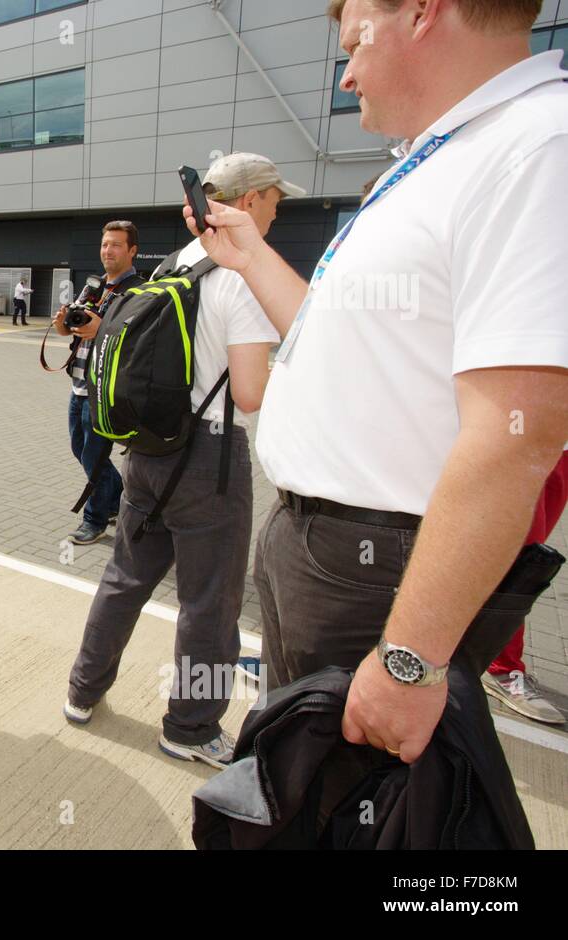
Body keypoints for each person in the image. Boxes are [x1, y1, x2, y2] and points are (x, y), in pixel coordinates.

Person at [187, 0, 568, 764]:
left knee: (346, 802)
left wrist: (410, 660)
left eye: (355, 40)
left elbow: (516, 437)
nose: (349, 70)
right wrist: (250, 256)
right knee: (295, 794)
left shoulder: (537, 147)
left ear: (423, 13)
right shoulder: (436, 160)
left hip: (379, 572)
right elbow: (331, 338)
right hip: (325, 550)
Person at [65, 163, 301, 768]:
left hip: (147, 450)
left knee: (124, 580)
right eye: (273, 201)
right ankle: (190, 729)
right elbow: (249, 393)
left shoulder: (173, 265)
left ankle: (82, 692)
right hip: (208, 460)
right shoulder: (242, 277)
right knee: (210, 603)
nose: (276, 212)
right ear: (248, 200)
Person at [51, 222, 141, 546]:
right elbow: (73, 331)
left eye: (116, 245)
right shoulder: (93, 287)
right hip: (79, 384)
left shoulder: (136, 292)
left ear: (132, 251)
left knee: (94, 457)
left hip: (103, 390)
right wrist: (63, 324)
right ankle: (116, 497)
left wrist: (103, 328)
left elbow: (137, 338)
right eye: (105, 244)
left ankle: (95, 519)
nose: (108, 251)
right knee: (81, 449)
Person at [483, 454, 568, 724]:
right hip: (520, 434)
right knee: (518, 552)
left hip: (560, 444)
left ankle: (488, 656)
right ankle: (502, 669)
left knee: (531, 557)